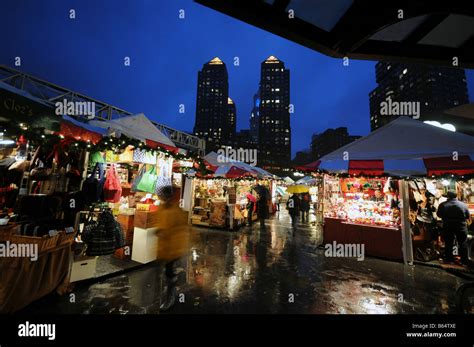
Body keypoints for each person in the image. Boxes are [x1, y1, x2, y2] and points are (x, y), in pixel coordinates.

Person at [155, 185, 192, 311]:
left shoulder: (176, 210)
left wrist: (166, 233)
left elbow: (181, 228)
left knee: (168, 272)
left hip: (173, 248)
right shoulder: (162, 208)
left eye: (163, 195)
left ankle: (170, 298)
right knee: (166, 271)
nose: (161, 198)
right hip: (164, 247)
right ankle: (170, 289)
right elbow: (161, 223)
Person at [437, 191, 471, 265]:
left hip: (448, 226)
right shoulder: (463, 205)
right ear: (456, 196)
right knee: (463, 243)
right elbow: (467, 216)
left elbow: (439, 215)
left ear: (448, 197)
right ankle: (464, 260)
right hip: (461, 226)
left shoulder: (443, 205)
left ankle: (449, 259)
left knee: (449, 243)